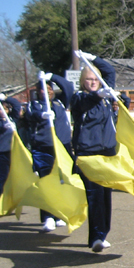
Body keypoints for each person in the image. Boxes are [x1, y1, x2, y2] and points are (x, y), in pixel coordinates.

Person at [71, 52, 119, 251]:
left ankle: (101, 233)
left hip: (106, 153)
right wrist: (98, 94)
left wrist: (93, 58)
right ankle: (96, 236)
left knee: (105, 196)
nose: (92, 82)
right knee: (95, 196)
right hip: (87, 154)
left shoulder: (106, 97)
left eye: (95, 80)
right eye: (89, 79)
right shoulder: (79, 98)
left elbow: (110, 71)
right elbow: (86, 101)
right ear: (83, 81)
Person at [25, 71, 75, 232]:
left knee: (62, 181)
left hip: (62, 148)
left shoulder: (60, 103)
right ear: (38, 92)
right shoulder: (34, 105)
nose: (48, 91)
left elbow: (68, 87)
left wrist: (52, 76)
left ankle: (59, 214)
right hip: (43, 149)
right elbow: (30, 115)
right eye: (44, 89)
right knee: (47, 182)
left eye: (50, 88)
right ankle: (47, 217)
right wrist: (42, 115)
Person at [0, 96, 21, 196]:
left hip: (13, 152)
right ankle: (3, 203)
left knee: (15, 178)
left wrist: (5, 98)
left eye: (5, 108)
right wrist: (3, 125)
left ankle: (13, 200)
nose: (4, 111)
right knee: (4, 179)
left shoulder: (12, 119)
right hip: (0, 154)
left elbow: (17, 105)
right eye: (0, 108)